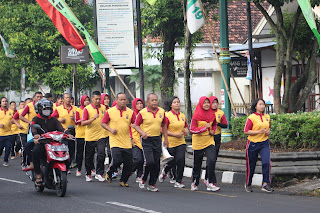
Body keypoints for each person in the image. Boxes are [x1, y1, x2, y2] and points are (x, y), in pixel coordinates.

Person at [31, 99, 72, 185]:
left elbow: (61, 129)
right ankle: (38, 174)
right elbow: (33, 129)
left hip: (54, 143)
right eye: (45, 109)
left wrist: (68, 134)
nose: (47, 111)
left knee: (67, 152)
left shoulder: (53, 119)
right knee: (35, 151)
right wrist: (36, 135)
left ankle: (62, 172)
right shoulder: (36, 119)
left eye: (48, 109)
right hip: (42, 142)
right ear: (40, 110)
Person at [133, 93, 168, 192]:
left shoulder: (161, 111)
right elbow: (136, 125)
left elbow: (164, 125)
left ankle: (152, 183)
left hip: (157, 139)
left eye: (156, 100)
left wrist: (166, 138)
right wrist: (142, 133)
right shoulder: (143, 112)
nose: (154, 102)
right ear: (148, 102)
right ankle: (143, 179)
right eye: (152, 100)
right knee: (149, 161)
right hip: (146, 139)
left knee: (156, 164)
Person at [101, 93, 135, 187]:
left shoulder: (130, 112)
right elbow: (103, 123)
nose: (123, 101)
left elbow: (134, 124)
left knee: (129, 163)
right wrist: (111, 130)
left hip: (126, 141)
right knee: (117, 159)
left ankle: (123, 180)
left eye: (124, 99)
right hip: (114, 140)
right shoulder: (110, 111)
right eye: (121, 99)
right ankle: (110, 172)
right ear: (117, 100)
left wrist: (133, 137)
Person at [190, 96, 220, 192]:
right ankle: (195, 183)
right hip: (198, 143)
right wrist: (203, 128)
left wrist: (212, 131)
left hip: (209, 141)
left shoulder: (212, 114)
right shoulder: (196, 115)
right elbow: (192, 129)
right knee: (197, 164)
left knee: (212, 160)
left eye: (208, 103)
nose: (207, 104)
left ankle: (210, 182)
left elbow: (214, 124)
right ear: (201, 104)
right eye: (205, 103)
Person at [244, 98, 273, 193]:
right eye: (260, 104)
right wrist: (258, 132)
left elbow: (269, 128)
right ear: (255, 106)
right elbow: (246, 131)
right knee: (251, 165)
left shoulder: (267, 117)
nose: (262, 106)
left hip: (264, 143)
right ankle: (248, 183)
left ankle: (265, 184)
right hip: (252, 143)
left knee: (266, 162)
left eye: (263, 104)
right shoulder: (251, 117)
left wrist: (267, 132)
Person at [158, 96, 188, 188]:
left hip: (181, 142)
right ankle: (165, 170)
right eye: (175, 102)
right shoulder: (167, 116)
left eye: (178, 102)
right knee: (172, 161)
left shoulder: (182, 116)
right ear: (171, 105)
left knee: (181, 160)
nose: (177, 104)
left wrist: (186, 130)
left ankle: (178, 181)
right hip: (169, 142)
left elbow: (185, 126)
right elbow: (162, 129)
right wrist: (175, 134)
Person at [81, 91, 106, 182]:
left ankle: (99, 173)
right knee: (89, 156)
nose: (98, 101)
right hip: (90, 136)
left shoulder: (103, 108)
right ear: (92, 99)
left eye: (99, 99)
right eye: (96, 99)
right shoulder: (87, 109)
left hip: (101, 135)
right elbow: (83, 123)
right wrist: (93, 118)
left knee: (101, 153)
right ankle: (88, 173)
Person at [204, 96, 229, 185]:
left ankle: (208, 177)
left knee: (213, 159)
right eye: (213, 102)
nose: (215, 104)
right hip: (207, 137)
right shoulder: (206, 112)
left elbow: (226, 125)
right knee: (210, 159)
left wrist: (217, 124)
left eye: (216, 103)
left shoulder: (220, 113)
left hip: (217, 137)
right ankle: (210, 179)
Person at [18, 92, 43, 170]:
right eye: (37, 97)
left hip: (43, 129)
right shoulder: (29, 106)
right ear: (34, 98)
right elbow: (21, 116)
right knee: (28, 146)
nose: (39, 98)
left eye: (40, 97)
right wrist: (30, 122)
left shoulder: (44, 105)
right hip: (33, 129)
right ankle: (29, 163)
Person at [52, 93, 77, 167]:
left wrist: (75, 118)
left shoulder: (75, 108)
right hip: (62, 131)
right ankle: (64, 163)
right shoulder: (58, 109)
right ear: (63, 99)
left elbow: (80, 119)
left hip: (73, 131)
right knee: (64, 148)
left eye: (69, 98)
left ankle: (70, 163)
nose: (68, 99)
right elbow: (53, 119)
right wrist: (60, 120)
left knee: (72, 148)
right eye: (66, 98)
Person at [12, 99, 32, 167]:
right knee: (24, 147)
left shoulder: (34, 111)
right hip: (23, 132)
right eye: (28, 103)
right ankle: (23, 162)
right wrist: (18, 125)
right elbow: (14, 118)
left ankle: (30, 162)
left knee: (31, 147)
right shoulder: (20, 111)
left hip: (31, 132)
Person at [74, 95, 90, 176]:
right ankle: (78, 168)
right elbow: (76, 121)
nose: (87, 102)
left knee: (89, 153)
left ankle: (90, 169)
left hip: (89, 134)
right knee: (79, 153)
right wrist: (84, 120)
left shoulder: (90, 109)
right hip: (80, 134)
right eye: (85, 100)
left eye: (88, 100)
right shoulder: (78, 110)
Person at [130, 98, 144, 183]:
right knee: (138, 159)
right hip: (135, 139)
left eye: (141, 103)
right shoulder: (132, 114)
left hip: (143, 139)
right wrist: (131, 138)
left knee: (142, 159)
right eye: (137, 104)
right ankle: (130, 170)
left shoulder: (144, 114)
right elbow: (128, 127)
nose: (139, 105)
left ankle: (139, 176)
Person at [0, 97, 14, 166]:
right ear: (1, 103)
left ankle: (6, 160)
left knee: (8, 148)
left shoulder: (11, 111)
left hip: (9, 133)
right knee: (0, 149)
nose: (4, 102)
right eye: (3, 101)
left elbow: (15, 120)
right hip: (0, 134)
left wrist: (13, 122)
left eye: (5, 101)